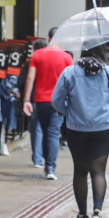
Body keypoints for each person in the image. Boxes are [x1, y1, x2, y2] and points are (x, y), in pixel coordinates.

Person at [52, 43, 109, 218]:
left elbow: (56, 101)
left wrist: (69, 112)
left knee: (80, 171)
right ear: (102, 51)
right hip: (104, 129)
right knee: (98, 171)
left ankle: (82, 215)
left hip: (77, 129)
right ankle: (98, 212)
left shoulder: (69, 73)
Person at [22, 27, 73, 181]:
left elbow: (30, 78)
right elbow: (71, 81)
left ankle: (47, 164)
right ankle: (50, 167)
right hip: (59, 102)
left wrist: (26, 100)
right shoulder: (66, 58)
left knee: (45, 132)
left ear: (48, 38)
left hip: (41, 101)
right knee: (53, 132)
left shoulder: (37, 55)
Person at [19, 39, 48, 168]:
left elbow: (22, 81)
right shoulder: (50, 62)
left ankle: (37, 157)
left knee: (35, 129)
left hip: (33, 100)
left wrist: (25, 98)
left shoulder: (30, 63)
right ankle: (45, 158)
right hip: (49, 99)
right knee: (48, 130)